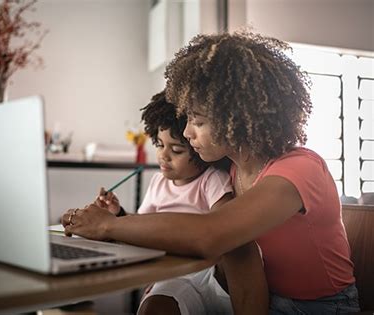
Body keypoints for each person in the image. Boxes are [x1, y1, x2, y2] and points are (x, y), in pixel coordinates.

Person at [62, 31, 360, 314]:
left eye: (199, 121)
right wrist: (117, 218)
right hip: (259, 296)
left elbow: (211, 233)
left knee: (231, 251)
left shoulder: (299, 169)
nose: (188, 132)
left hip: (316, 308)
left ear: (240, 119)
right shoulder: (228, 169)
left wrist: (107, 227)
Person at [93, 91, 266, 314]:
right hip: (171, 275)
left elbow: (225, 228)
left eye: (176, 149)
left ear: (197, 151)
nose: (164, 155)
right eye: (158, 144)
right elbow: (141, 224)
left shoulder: (211, 180)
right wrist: (119, 214)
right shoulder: (157, 182)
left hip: (207, 273)